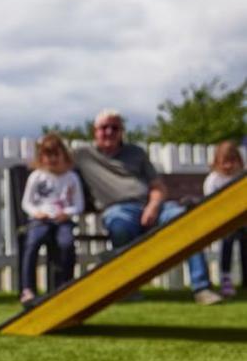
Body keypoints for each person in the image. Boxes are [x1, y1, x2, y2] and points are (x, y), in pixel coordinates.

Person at [73, 109, 222, 305]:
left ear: (121, 131)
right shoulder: (82, 155)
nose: (109, 131)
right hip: (118, 209)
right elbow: (51, 158)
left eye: (114, 127)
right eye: (104, 127)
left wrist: (152, 206)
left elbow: (158, 187)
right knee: (118, 224)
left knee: (185, 221)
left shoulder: (136, 153)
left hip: (153, 205)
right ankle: (127, 287)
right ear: (95, 131)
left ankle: (202, 288)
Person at [19, 133, 84, 304]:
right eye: (48, 155)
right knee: (32, 243)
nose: (52, 159)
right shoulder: (36, 177)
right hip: (40, 220)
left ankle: (65, 285)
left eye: (56, 154)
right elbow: (26, 203)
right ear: (41, 157)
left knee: (67, 244)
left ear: (64, 155)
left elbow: (79, 205)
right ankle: (28, 289)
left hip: (62, 221)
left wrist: (67, 213)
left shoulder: (72, 178)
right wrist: (36, 213)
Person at [204, 140, 245, 297]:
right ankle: (225, 277)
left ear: (239, 162)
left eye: (232, 161)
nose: (228, 166)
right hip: (222, 222)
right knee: (228, 238)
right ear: (217, 162)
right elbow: (209, 206)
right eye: (224, 162)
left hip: (240, 221)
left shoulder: (241, 178)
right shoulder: (213, 180)